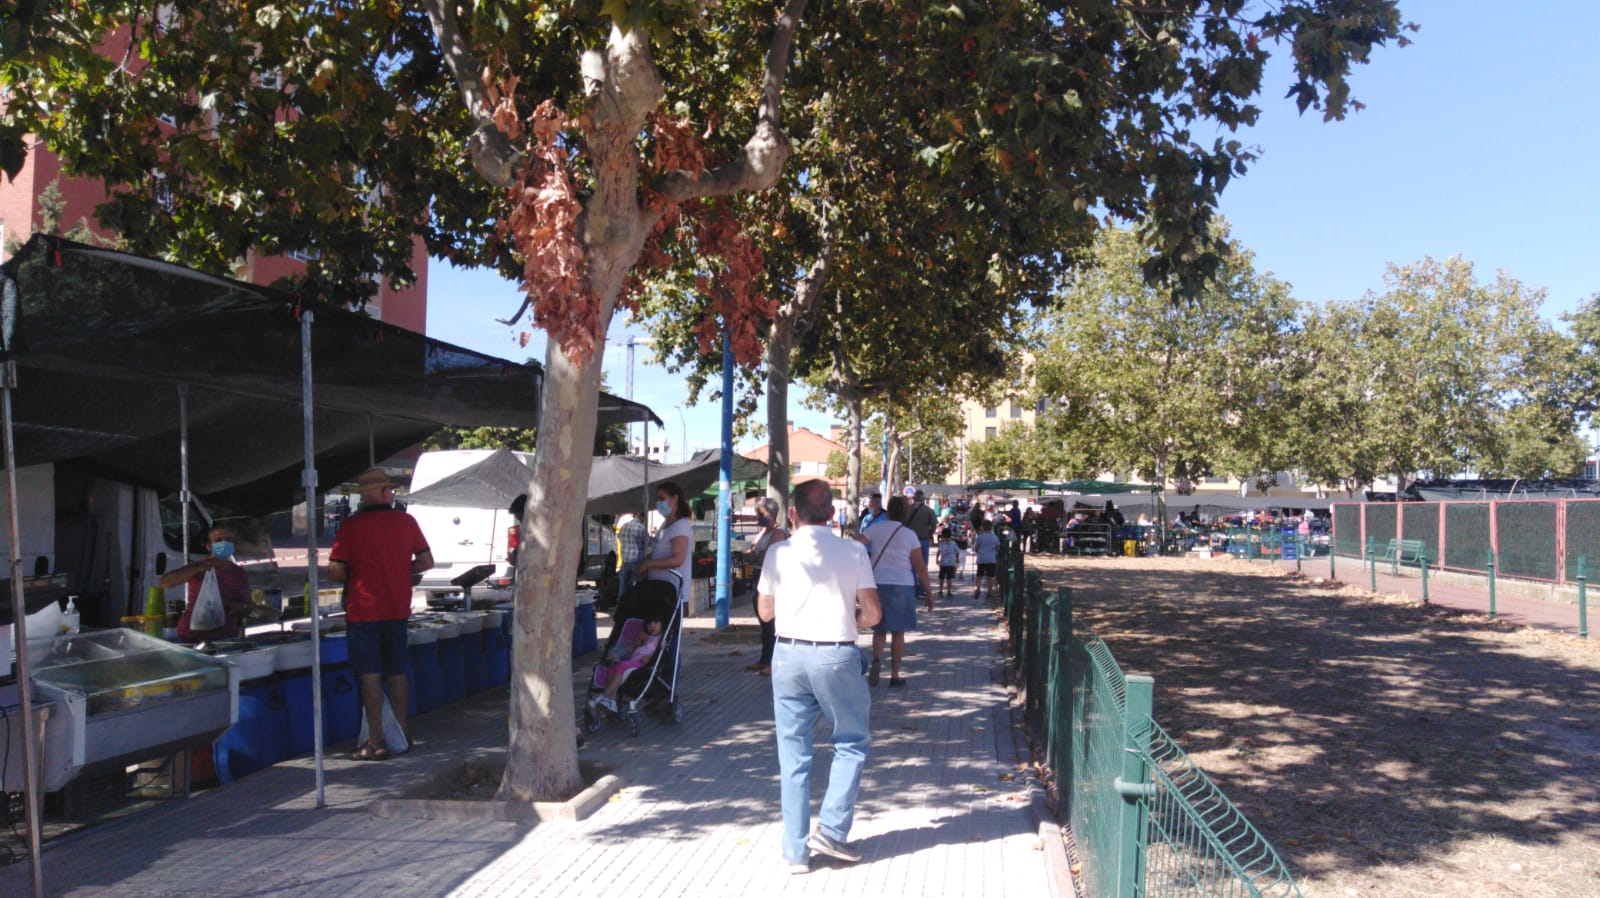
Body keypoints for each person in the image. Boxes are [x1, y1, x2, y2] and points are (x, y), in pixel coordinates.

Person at [757, 479, 882, 874]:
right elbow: (874, 614)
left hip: (788, 656)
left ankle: (795, 852)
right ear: (832, 514)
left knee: (792, 755)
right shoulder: (853, 551)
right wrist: (850, 618)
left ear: (792, 513)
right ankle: (831, 828)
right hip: (836, 655)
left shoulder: (777, 552)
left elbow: (764, 613)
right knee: (850, 742)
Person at [329, 467, 433, 761]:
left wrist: (353, 574)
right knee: (398, 673)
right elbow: (426, 561)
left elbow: (336, 569)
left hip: (363, 612)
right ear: (386, 493)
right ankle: (401, 733)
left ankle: (375, 742)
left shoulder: (351, 526)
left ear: (363, 496)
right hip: (397, 609)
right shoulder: (406, 522)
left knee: (370, 676)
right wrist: (401, 570)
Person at [862, 496, 935, 688]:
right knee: (898, 632)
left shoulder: (874, 528)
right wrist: (928, 592)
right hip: (902, 585)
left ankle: (876, 660)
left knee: (879, 629)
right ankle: (894, 674)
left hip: (877, 583)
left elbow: (856, 544)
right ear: (904, 513)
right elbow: (920, 567)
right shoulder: (909, 535)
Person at [162, 525, 254, 641]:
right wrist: (196, 569)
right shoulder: (200, 566)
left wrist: (239, 607)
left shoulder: (239, 572)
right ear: (209, 546)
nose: (224, 543)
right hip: (192, 636)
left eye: (228, 540)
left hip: (226, 636)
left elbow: (248, 605)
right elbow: (166, 582)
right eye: (218, 540)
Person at [744, 497, 788, 675]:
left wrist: (754, 555)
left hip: (771, 581)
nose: (758, 517)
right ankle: (764, 658)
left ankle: (774, 660)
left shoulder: (778, 533)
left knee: (771, 623)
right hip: (757, 577)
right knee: (764, 623)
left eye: (760, 513)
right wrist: (754, 554)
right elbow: (750, 554)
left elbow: (764, 557)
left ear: (772, 513)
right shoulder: (762, 532)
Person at [637, 481, 694, 608]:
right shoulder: (666, 524)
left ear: (675, 499)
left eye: (662, 498)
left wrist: (649, 564)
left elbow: (678, 559)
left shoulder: (680, 526)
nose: (658, 503)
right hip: (659, 590)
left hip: (672, 592)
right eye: (657, 499)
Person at [588, 617, 664, 712]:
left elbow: (658, 654)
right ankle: (611, 701)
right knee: (614, 665)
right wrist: (638, 642)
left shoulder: (661, 638)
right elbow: (637, 648)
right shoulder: (645, 637)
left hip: (642, 663)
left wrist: (649, 660)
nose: (652, 626)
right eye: (649, 624)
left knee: (621, 665)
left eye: (656, 622)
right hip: (633, 660)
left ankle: (605, 694)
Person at [905, 489, 937, 600]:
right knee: (923, 566)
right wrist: (929, 534)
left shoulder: (907, 510)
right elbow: (934, 526)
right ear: (923, 499)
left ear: (914, 498)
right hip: (923, 540)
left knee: (911, 566)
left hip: (909, 540)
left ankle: (912, 589)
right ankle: (922, 590)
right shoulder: (928, 511)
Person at [615, 511, 648, 605]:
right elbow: (647, 543)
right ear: (642, 517)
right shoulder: (641, 528)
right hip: (636, 561)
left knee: (623, 586)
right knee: (636, 586)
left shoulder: (624, 526)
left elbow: (619, 538)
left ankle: (620, 605)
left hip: (625, 561)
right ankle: (633, 606)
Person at [972, 520, 1002, 601]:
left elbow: (976, 548)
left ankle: (978, 589)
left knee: (979, 575)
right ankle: (990, 592)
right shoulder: (995, 537)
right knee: (990, 576)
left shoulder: (980, 537)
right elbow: (998, 548)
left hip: (981, 559)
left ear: (982, 527)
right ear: (991, 527)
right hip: (991, 559)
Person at [936, 529, 960, 597]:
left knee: (941, 578)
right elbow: (957, 552)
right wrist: (957, 559)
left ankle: (940, 591)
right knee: (949, 578)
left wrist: (937, 559)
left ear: (943, 536)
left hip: (943, 563)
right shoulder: (953, 543)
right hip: (950, 564)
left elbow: (938, 552)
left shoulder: (941, 544)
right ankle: (949, 592)